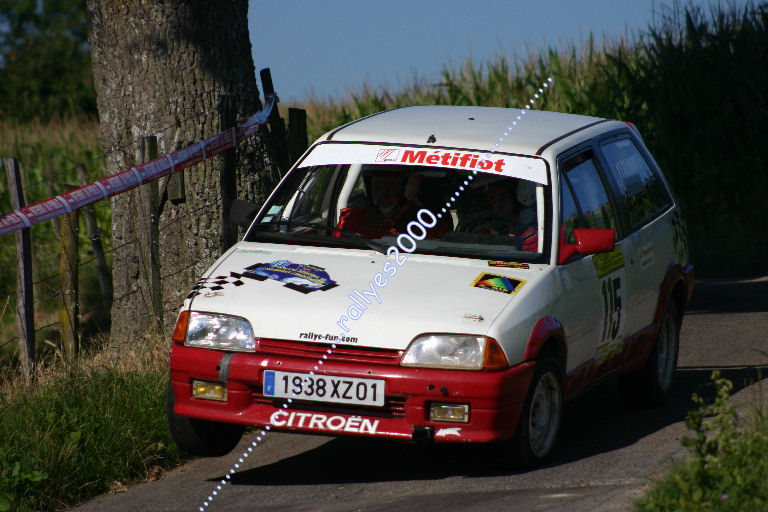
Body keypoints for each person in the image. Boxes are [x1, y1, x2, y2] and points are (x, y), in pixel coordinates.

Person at [336, 169, 446, 239]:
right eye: (377, 188)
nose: (384, 195)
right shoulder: (351, 221)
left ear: (408, 191)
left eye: (393, 188)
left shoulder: (428, 226)